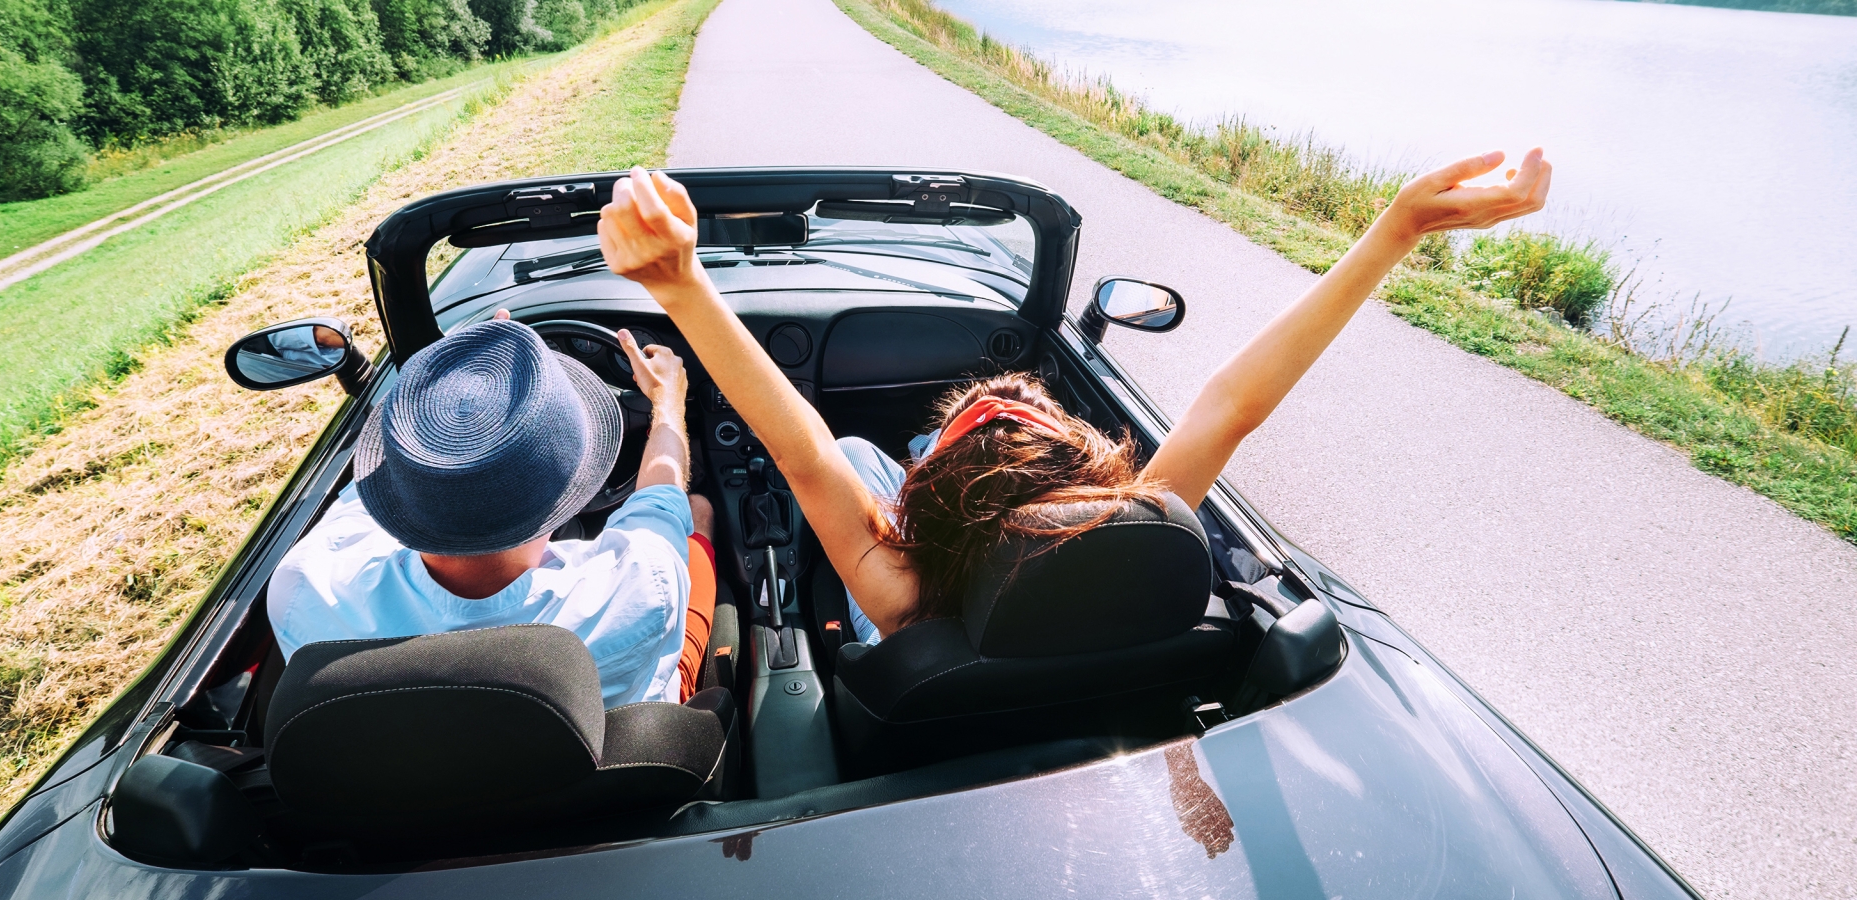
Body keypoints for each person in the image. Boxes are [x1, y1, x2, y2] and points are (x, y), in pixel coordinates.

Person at [598, 151, 1551, 642]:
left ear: (922, 514)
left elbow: (806, 449)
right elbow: (1233, 405)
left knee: (851, 456)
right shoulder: (1139, 527)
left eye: (948, 441)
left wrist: (683, 285)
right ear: (1095, 481)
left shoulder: (904, 600)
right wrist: (1396, 230)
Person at [267, 315, 720, 706]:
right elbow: (662, 494)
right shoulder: (644, 584)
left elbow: (372, 483)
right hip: (620, 751)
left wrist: (448, 402)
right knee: (696, 510)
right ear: (574, 479)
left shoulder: (304, 586)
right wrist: (667, 401)